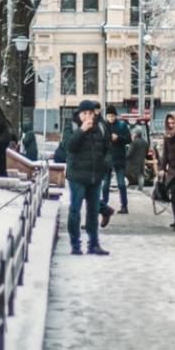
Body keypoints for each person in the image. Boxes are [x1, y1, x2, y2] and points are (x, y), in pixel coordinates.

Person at [64, 100, 111, 255]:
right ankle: (75, 245)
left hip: (95, 176)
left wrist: (105, 165)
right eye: (85, 113)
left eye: (91, 113)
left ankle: (93, 244)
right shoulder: (71, 126)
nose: (88, 117)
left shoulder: (101, 127)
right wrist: (81, 131)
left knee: (93, 211)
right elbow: (69, 147)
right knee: (75, 210)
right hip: (77, 176)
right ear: (79, 114)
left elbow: (107, 149)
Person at [100, 105, 133, 215]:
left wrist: (118, 138)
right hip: (107, 159)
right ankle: (104, 205)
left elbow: (129, 139)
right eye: (109, 116)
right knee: (105, 185)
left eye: (112, 116)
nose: (111, 118)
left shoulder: (122, 125)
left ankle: (124, 206)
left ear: (116, 115)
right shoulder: (103, 125)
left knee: (121, 184)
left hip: (119, 158)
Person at [125, 125, 150, 190]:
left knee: (126, 172)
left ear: (135, 134)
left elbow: (129, 154)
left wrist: (125, 157)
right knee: (141, 175)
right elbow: (146, 153)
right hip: (141, 162)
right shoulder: (145, 143)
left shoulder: (134, 142)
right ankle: (140, 188)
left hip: (132, 163)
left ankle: (130, 185)